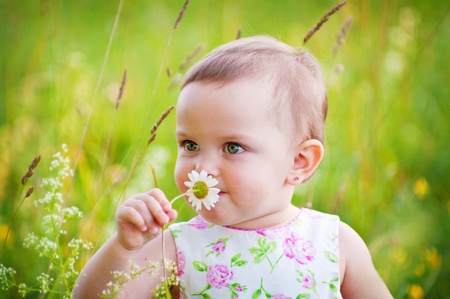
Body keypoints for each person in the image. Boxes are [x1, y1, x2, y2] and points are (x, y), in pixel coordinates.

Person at [73, 36, 393, 298]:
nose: (203, 168)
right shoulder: (177, 246)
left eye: (233, 148)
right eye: (190, 145)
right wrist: (123, 246)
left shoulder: (334, 243)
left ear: (299, 162)